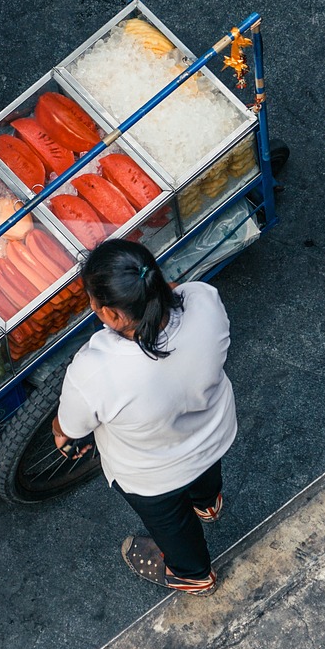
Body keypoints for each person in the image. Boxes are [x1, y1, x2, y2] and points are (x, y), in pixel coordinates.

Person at [54, 240, 236, 596]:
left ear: (111, 315)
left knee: (171, 524)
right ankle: (207, 504)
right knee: (205, 478)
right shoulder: (203, 299)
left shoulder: (95, 370)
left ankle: (193, 574)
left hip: (154, 474)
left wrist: (59, 433)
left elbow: (71, 427)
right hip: (213, 432)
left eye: (92, 300)